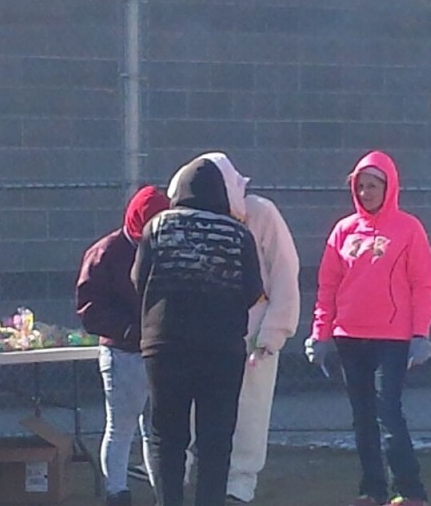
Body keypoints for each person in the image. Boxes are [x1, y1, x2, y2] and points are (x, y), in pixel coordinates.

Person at [152, 152, 301, 504]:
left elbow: (284, 273)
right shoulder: (182, 223)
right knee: (189, 421)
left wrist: (272, 333)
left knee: (247, 416)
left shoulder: (260, 213)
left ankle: (239, 487)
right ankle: (185, 484)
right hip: (205, 340)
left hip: (250, 337)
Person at [304, 151, 431, 506]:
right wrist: (321, 333)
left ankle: (410, 491)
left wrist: (421, 334)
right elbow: (328, 287)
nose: (365, 192)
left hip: (392, 340)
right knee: (362, 419)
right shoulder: (343, 230)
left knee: (388, 414)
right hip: (350, 338)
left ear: (389, 186)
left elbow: (423, 284)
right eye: (360, 186)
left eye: (373, 185)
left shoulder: (409, 229)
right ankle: (372, 491)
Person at [132, 158, 263, 506]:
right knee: (215, 439)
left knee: (167, 435)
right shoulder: (238, 233)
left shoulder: (158, 226)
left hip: (165, 346)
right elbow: (253, 290)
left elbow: (138, 279)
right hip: (221, 350)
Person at [76, 185, 170, 506]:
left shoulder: (146, 248)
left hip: (153, 351)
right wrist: (131, 331)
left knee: (154, 432)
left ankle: (163, 494)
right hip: (124, 353)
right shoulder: (107, 253)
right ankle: (119, 494)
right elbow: (91, 310)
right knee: (124, 429)